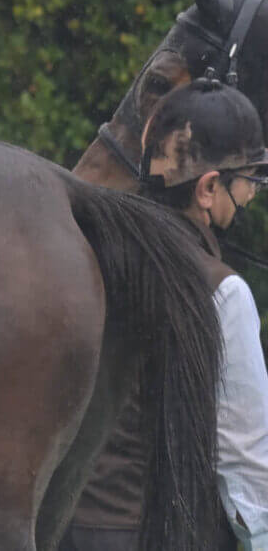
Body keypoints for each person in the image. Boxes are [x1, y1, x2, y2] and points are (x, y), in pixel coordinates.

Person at [67, 78, 268, 551]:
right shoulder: (223, 293)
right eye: (249, 181)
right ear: (208, 188)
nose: (253, 196)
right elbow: (247, 469)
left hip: (65, 530)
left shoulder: (87, 255)